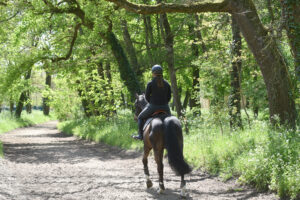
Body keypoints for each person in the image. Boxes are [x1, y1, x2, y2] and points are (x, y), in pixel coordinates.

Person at [132, 64, 172, 140]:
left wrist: (152, 103)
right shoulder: (167, 84)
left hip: (153, 106)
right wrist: (164, 103)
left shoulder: (150, 83)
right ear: (161, 73)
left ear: (153, 73)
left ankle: (140, 135)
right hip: (165, 107)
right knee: (172, 120)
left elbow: (146, 97)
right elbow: (169, 97)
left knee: (140, 117)